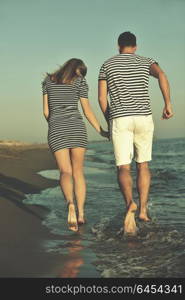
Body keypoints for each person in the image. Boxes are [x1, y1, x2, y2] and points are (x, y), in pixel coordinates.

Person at [98, 31, 173, 235]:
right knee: (143, 164)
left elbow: (102, 99)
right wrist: (167, 103)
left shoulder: (107, 65)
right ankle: (143, 210)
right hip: (143, 117)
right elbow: (162, 75)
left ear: (118, 46)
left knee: (123, 167)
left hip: (120, 118)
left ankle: (130, 203)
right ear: (136, 46)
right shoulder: (146, 61)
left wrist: (109, 119)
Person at [42, 58, 108, 232]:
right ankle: (80, 214)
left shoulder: (48, 80)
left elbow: (46, 112)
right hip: (76, 127)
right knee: (78, 172)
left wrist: (56, 124)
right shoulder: (80, 82)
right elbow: (87, 110)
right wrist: (101, 130)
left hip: (56, 127)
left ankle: (70, 203)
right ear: (76, 70)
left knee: (65, 171)